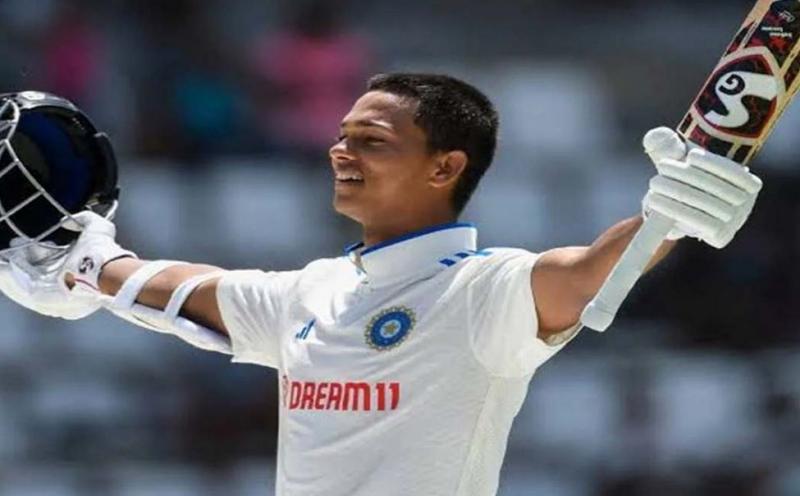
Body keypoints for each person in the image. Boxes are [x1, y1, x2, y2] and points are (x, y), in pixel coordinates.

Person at [0, 74, 762, 496]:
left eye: (370, 140)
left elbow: (585, 273)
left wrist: (664, 221)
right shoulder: (313, 293)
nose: (340, 152)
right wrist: (82, 263)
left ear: (445, 167)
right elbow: (186, 289)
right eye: (341, 136)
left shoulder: (482, 292)